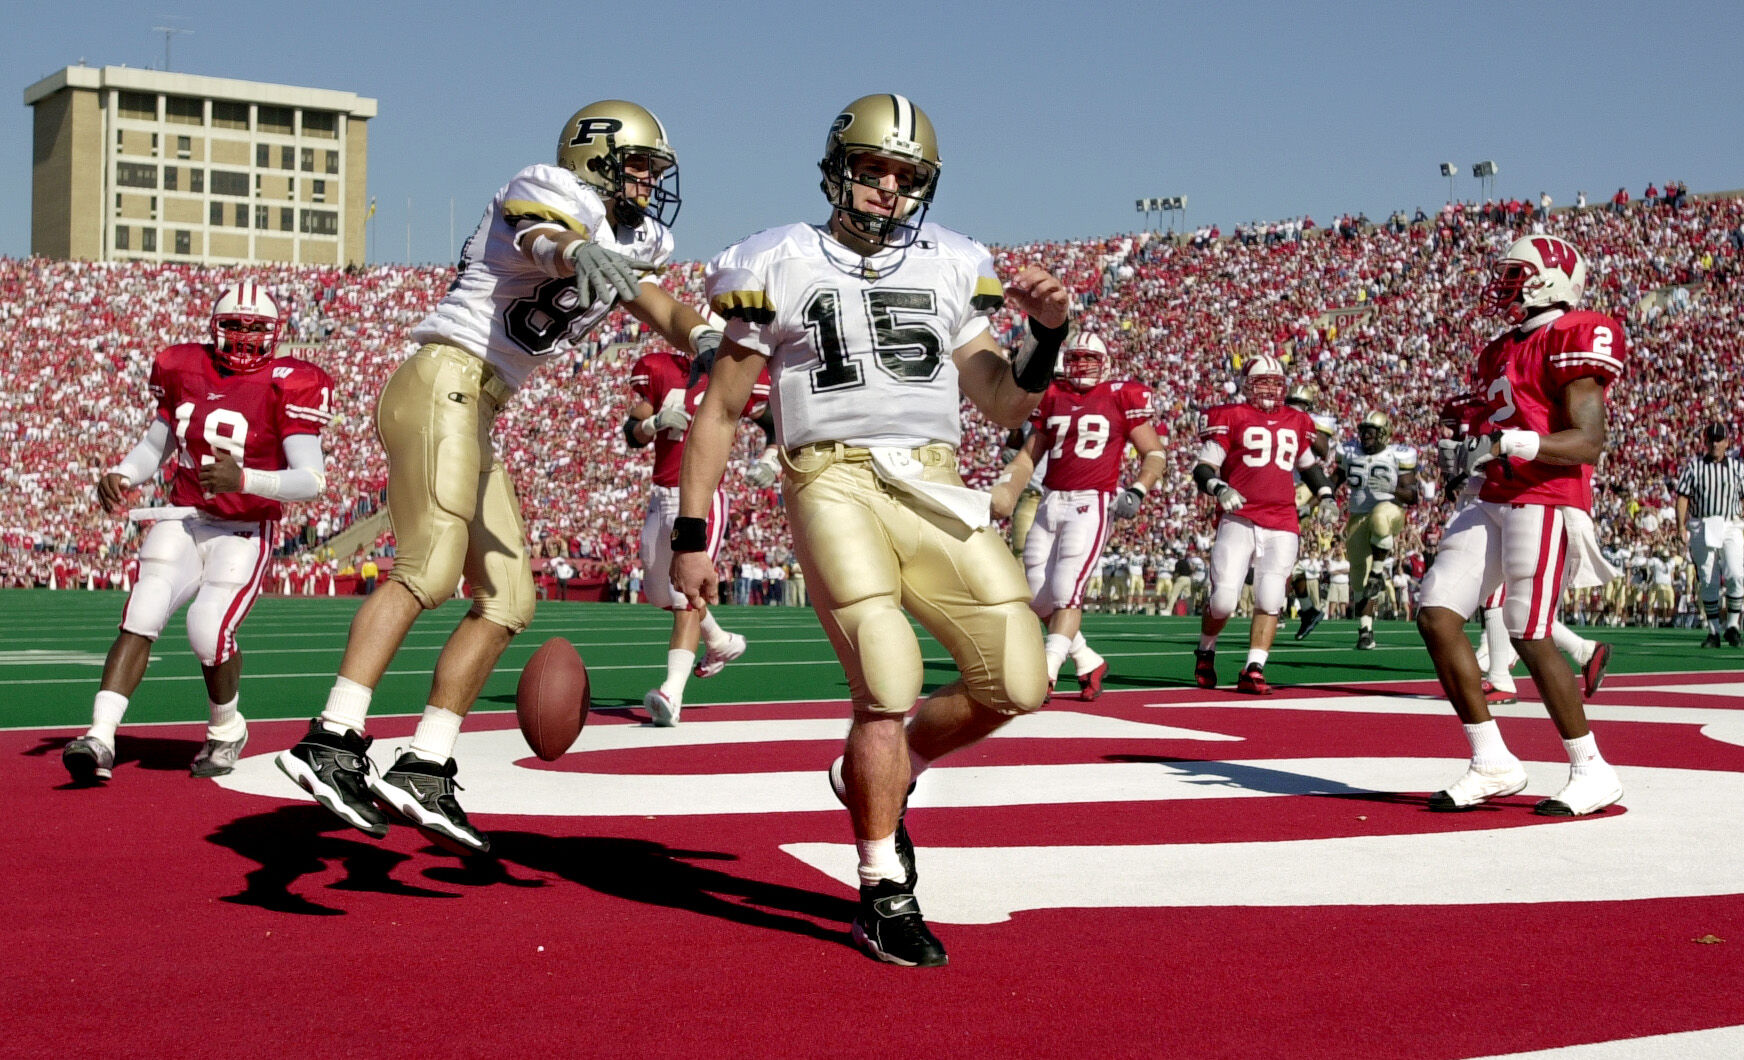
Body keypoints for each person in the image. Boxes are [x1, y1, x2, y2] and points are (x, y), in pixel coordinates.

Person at [673, 93, 1069, 967]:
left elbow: (1005, 398)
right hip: (832, 477)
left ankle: (887, 774)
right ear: (838, 167)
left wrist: (1047, 334)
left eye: (906, 175)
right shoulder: (776, 259)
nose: (888, 188)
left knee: (1020, 678)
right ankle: (883, 883)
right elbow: (723, 409)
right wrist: (692, 533)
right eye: (874, 169)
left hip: (932, 479)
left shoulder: (951, 262)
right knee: (886, 675)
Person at [276, 100, 721, 855]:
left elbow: (654, 302)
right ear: (595, 160)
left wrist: (710, 337)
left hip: (479, 406)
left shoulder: (636, 237)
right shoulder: (551, 192)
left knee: (511, 597)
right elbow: (539, 232)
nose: (649, 182)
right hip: (442, 377)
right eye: (638, 165)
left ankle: (426, 758)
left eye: (655, 169)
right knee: (428, 568)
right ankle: (333, 737)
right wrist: (572, 251)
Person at [63, 283, 332, 784]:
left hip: (245, 527)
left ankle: (226, 729)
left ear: (274, 333)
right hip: (185, 515)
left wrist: (246, 478)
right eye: (234, 325)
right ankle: (100, 737)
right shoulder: (185, 367)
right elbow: (156, 442)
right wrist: (125, 471)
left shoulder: (289, 382)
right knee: (141, 612)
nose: (244, 337)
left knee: (208, 627)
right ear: (215, 327)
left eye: (255, 328)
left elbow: (311, 480)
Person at [1416, 234, 1627, 817]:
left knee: (1529, 631)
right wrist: (1470, 444)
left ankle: (1592, 769)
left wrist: (1511, 440)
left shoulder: (1574, 333)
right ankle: (1492, 760)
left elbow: (1589, 442)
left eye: (1515, 273)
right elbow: (1495, 427)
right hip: (1495, 493)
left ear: (1550, 278)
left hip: (1547, 496)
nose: (1504, 284)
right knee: (1436, 615)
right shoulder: (1500, 348)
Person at [992, 332, 1164, 700]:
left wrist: (1138, 489)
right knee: (1037, 595)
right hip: (1051, 499)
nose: (1082, 365)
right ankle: (1087, 660)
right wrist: (1006, 487)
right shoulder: (1052, 396)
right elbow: (1028, 455)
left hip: (1092, 501)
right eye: (1076, 358)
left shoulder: (1120, 395)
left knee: (1067, 590)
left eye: (1090, 358)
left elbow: (1154, 452)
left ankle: (1047, 671)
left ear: (1105, 362)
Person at [624, 341, 770, 724]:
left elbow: (773, 422)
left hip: (702, 498)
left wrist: (772, 458)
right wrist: (654, 423)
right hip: (660, 494)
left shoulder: (734, 368)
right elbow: (631, 432)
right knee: (660, 594)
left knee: (684, 597)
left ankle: (671, 694)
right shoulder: (657, 367)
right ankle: (719, 642)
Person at [1435, 393, 1610, 705]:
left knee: (1504, 602)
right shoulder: (1482, 401)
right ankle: (1581, 650)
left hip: (1522, 495)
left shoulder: (1538, 400)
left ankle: (1501, 676)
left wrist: (1474, 465)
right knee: (1510, 603)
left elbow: (1517, 447)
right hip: (1491, 495)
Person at [1189, 355, 1332, 693]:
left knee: (1270, 597)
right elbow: (1203, 467)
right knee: (1224, 598)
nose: (1269, 389)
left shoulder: (1297, 420)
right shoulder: (1231, 416)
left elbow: (1309, 465)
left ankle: (1254, 667)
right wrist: (1219, 487)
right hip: (1240, 517)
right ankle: (1206, 648)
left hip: (1282, 519)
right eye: (1261, 381)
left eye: (1274, 382)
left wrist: (1326, 494)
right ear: (1247, 385)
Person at [1332, 410, 1418, 649]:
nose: (1366, 435)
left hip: (1390, 511)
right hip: (1358, 515)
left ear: (1384, 434)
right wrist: (1327, 498)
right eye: (1363, 431)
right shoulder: (1349, 452)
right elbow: (1334, 480)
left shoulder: (1397, 455)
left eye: (1371, 431)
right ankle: (1366, 630)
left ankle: (1378, 572)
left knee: (1380, 518)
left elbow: (1413, 496)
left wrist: (1392, 488)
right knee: (1359, 577)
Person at [1674, 422, 1744, 647]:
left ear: (1726, 442)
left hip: (1730, 523)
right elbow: (1682, 497)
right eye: (1712, 440)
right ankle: (1714, 631)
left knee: (1735, 573)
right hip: (1702, 524)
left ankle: (1733, 626)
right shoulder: (1694, 468)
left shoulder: (1738, 468)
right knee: (1708, 579)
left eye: (1719, 439)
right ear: (1706, 442)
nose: (1715, 444)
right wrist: (1680, 527)